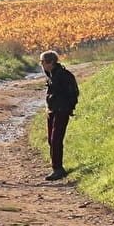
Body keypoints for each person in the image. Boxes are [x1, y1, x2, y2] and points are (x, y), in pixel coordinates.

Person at [40, 50, 79, 182]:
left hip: (61, 110)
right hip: (52, 110)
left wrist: (69, 107)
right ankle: (56, 167)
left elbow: (73, 92)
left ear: (50, 62)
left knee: (56, 139)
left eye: (43, 62)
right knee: (51, 140)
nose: (41, 64)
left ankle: (58, 169)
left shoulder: (63, 75)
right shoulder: (51, 74)